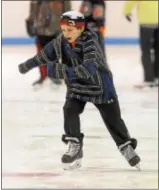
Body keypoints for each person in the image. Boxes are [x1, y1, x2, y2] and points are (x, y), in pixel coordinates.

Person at [19, 11, 140, 170]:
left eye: (70, 30)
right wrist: (27, 65)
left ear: (80, 29)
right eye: (63, 29)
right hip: (76, 87)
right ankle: (75, 144)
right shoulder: (61, 42)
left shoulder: (91, 42)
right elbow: (44, 54)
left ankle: (125, 146)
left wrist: (62, 72)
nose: (66, 33)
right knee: (69, 110)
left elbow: (88, 68)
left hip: (100, 88)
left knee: (113, 120)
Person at [26, 0, 71, 86]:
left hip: (56, 28)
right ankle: (43, 75)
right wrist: (30, 22)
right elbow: (33, 8)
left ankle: (54, 75)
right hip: (41, 29)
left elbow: (67, 11)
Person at [123, 1, 158, 88]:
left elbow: (130, 2)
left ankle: (149, 79)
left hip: (146, 23)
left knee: (146, 51)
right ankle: (157, 76)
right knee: (158, 50)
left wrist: (126, 12)